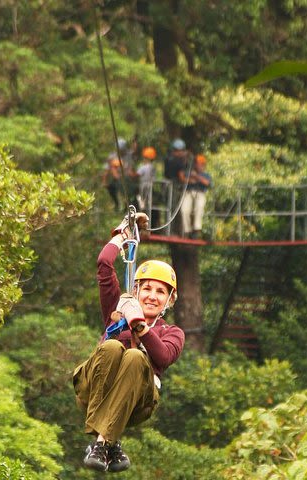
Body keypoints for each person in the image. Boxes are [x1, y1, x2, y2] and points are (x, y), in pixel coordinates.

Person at [73, 213, 185, 473]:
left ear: (169, 300)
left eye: (160, 292)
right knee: (113, 346)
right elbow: (104, 264)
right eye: (146, 289)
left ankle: (102, 442)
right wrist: (121, 237)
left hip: (137, 402)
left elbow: (164, 357)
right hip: (95, 388)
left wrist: (140, 326)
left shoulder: (173, 332)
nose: (152, 297)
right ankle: (109, 442)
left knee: (136, 358)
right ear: (136, 290)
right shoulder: (118, 308)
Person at [179, 154, 212, 238]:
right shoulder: (189, 172)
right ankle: (187, 230)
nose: (198, 166)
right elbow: (183, 179)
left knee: (199, 207)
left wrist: (197, 177)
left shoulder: (206, 175)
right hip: (189, 192)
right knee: (184, 210)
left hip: (200, 193)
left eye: (200, 164)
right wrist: (191, 180)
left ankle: (197, 229)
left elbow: (207, 183)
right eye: (197, 164)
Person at [136, 146, 156, 215]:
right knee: (148, 204)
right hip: (150, 187)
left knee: (141, 203)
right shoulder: (152, 167)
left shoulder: (143, 167)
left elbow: (137, 175)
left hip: (143, 187)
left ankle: (141, 218)